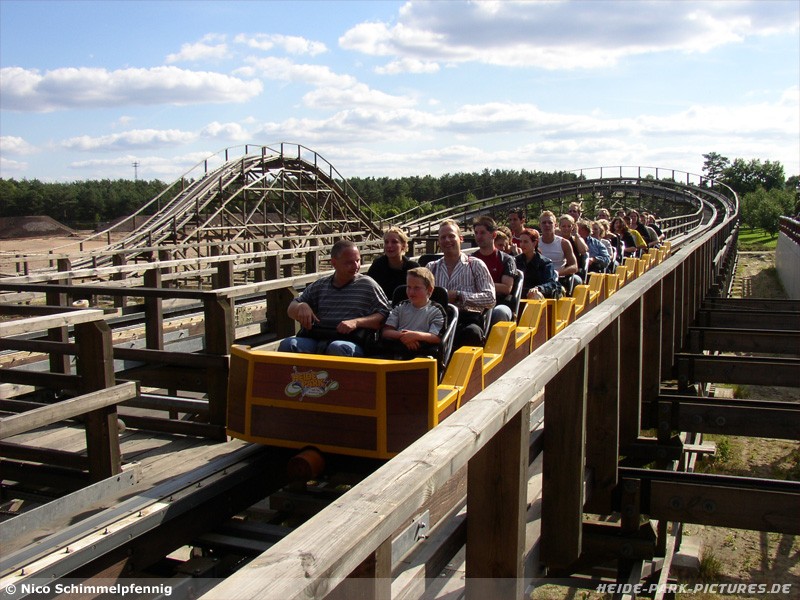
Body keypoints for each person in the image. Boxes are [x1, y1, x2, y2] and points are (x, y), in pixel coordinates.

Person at [279, 240, 390, 357]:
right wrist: (301, 306)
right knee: (288, 344)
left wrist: (356, 322)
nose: (356, 266)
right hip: (318, 337)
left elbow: (385, 314)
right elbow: (291, 309)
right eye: (349, 263)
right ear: (334, 263)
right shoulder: (320, 285)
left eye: (357, 261)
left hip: (351, 340)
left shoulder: (368, 285)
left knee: (337, 348)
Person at [426, 219, 495, 347]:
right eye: (443, 237)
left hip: (466, 319)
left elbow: (490, 299)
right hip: (436, 319)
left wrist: (459, 295)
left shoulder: (476, 265)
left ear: (461, 239)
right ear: (439, 242)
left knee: (472, 333)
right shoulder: (431, 267)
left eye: (451, 236)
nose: (447, 240)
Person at [381, 267, 445, 359]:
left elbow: (437, 337)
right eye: (409, 287)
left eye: (416, 288)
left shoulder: (436, 310)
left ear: (429, 290)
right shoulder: (400, 306)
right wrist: (405, 336)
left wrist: (415, 336)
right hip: (396, 350)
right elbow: (386, 331)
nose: (411, 292)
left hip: (423, 353)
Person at [472, 215, 517, 326]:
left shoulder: (506, 260)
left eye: (482, 233)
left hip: (500, 303)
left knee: (500, 312)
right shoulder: (470, 259)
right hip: (476, 302)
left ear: (494, 235)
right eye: (476, 233)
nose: (478, 236)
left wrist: (482, 285)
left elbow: (506, 288)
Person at [367, 226, 419, 300]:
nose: (389, 245)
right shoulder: (377, 266)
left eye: (394, 242)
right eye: (386, 242)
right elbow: (368, 289)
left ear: (403, 245)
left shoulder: (413, 268)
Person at [538, 210, 580, 293]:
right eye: (544, 223)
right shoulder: (535, 243)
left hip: (560, 279)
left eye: (550, 223)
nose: (547, 225)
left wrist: (557, 273)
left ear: (555, 225)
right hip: (540, 280)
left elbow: (574, 266)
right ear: (539, 225)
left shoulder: (564, 243)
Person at [514, 228, 561, 299]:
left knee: (535, 295)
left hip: (537, 297)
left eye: (526, 242)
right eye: (521, 241)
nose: (522, 244)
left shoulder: (545, 263)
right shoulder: (515, 260)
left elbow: (551, 284)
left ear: (534, 243)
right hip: (519, 295)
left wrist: (539, 288)